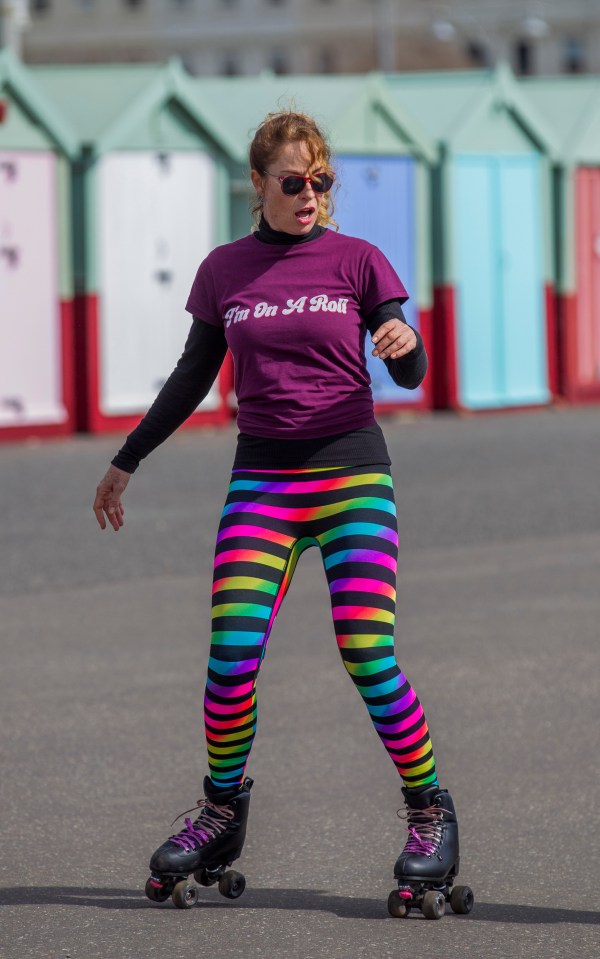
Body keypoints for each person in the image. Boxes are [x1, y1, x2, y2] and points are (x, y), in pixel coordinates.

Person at [93, 110, 467, 916]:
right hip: (262, 482)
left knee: (368, 650)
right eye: (293, 182)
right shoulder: (225, 270)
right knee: (230, 655)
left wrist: (406, 338)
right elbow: (192, 375)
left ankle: (430, 811)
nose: (311, 196)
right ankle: (221, 810)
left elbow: (407, 366)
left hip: (351, 476)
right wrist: (127, 458)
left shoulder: (358, 261)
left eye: (321, 182)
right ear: (258, 184)